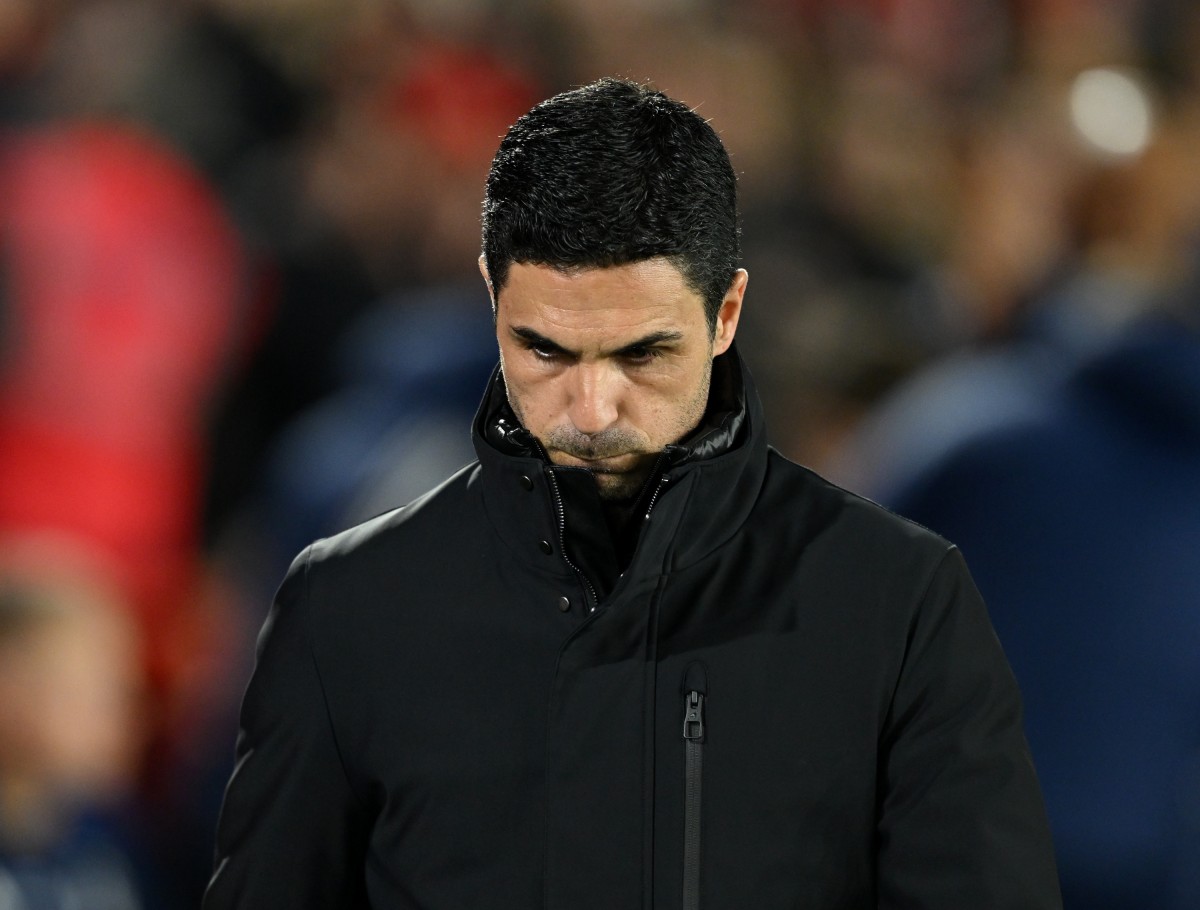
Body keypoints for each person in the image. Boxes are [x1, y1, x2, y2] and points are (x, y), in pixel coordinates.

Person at [203, 78, 1061, 909]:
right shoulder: (349, 606)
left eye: (642, 354)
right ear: (493, 299)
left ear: (725, 314)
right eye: (544, 350)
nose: (590, 409)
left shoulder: (896, 604)